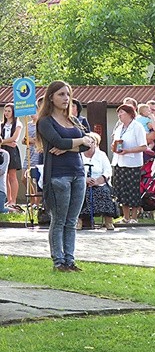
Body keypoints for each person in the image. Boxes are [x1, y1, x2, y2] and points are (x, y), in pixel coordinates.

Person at [36, 81, 95, 272]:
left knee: (72, 220)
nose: (66, 99)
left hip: (78, 173)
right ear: (51, 97)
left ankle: (70, 260)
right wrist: (78, 141)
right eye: (61, 94)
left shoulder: (74, 120)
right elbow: (58, 141)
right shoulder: (45, 121)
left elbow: (89, 143)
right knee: (59, 220)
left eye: (68, 95)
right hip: (58, 176)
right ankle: (58, 261)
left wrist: (71, 146)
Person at [111, 104, 147, 224]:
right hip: (119, 161)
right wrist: (114, 147)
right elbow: (115, 142)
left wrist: (129, 151)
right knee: (121, 190)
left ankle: (134, 217)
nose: (119, 115)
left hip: (132, 162)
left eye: (122, 112)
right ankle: (125, 216)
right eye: (119, 113)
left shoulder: (137, 127)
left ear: (130, 114)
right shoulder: (119, 128)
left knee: (132, 189)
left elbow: (143, 146)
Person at [79, 132, 116, 230]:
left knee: (104, 192)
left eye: (92, 142)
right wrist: (85, 180)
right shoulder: (78, 155)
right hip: (82, 182)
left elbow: (108, 171)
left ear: (96, 144)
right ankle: (78, 220)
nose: (90, 145)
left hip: (99, 182)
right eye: (88, 142)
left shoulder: (102, 155)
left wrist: (98, 181)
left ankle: (108, 220)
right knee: (80, 194)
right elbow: (75, 170)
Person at [1, 103, 23, 209]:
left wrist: (3, 141)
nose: (6, 113)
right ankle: (8, 199)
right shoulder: (1, 125)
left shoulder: (18, 124)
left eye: (9, 111)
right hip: (3, 150)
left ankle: (13, 200)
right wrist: (5, 142)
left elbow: (14, 138)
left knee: (12, 175)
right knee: (4, 176)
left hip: (12, 150)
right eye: (5, 111)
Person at [0, 147, 9, 213]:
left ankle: (15, 210)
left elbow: (1, 171)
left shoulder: (4, 154)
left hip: (0, 190)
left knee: (1, 210)